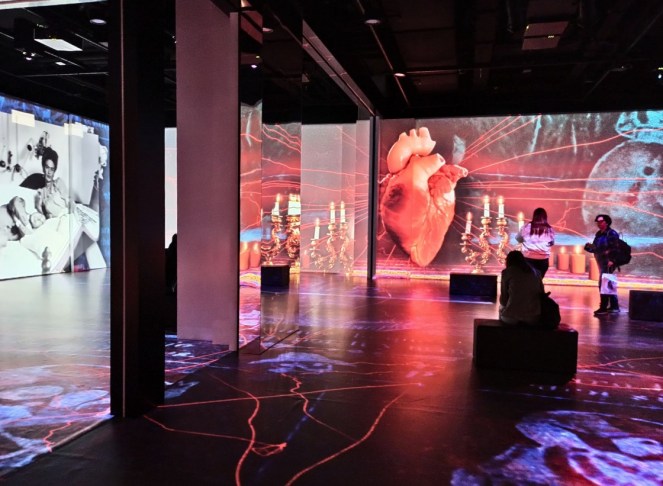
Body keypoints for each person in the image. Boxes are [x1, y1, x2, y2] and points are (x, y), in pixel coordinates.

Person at [584, 214, 621, 315]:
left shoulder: (611, 233)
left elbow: (616, 248)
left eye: (601, 221)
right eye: (598, 222)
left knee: (604, 284)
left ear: (607, 222)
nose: (599, 224)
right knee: (608, 283)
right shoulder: (599, 234)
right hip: (601, 262)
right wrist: (589, 247)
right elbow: (596, 248)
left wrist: (612, 260)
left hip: (608, 262)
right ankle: (614, 306)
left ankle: (604, 307)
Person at [499, 250, 545, 325]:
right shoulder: (536, 272)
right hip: (533, 316)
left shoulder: (507, 272)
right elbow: (542, 293)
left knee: (501, 308)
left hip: (511, 316)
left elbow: (503, 299)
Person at [515, 207, 555, 278]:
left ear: (534, 216)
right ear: (545, 217)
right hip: (543, 260)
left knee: (529, 280)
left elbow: (518, 238)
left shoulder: (526, 227)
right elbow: (552, 243)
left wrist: (526, 241)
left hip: (528, 258)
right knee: (539, 280)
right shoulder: (549, 229)